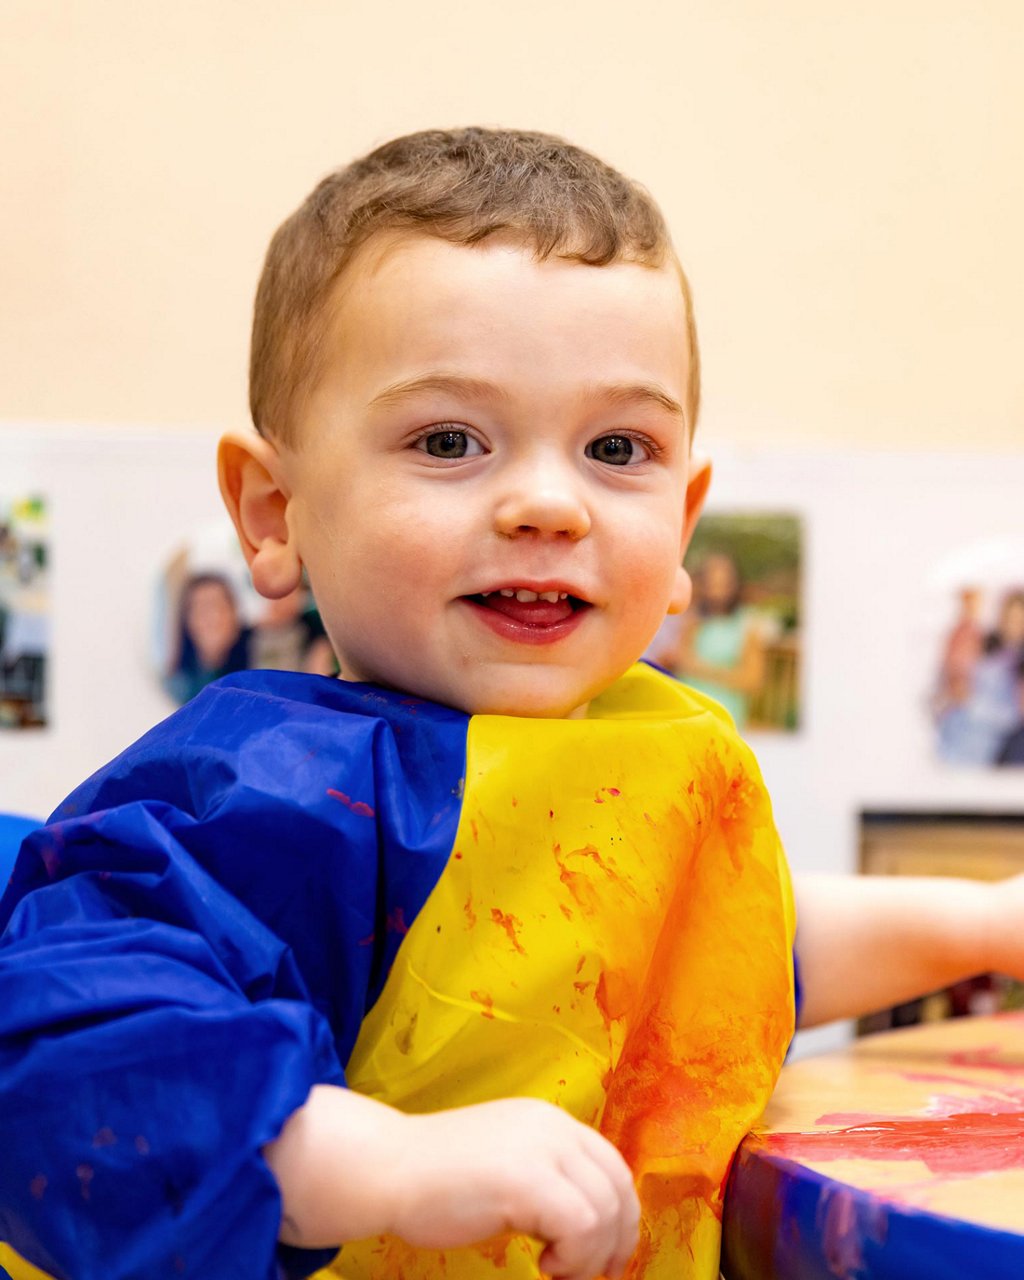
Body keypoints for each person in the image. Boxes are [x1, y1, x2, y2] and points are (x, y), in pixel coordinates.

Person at [2, 128, 1024, 1280]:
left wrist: (989, 924)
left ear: (684, 525)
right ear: (274, 511)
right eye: (449, 439)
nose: (548, 502)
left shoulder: (649, 747)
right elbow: (65, 1040)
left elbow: (735, 949)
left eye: (615, 446)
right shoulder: (269, 784)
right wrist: (378, 1161)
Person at [650, 551, 766, 729]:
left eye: (722, 582)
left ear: (734, 583)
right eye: (711, 581)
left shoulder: (748, 623)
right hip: (687, 708)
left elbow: (752, 680)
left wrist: (699, 668)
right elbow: (679, 658)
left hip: (724, 713)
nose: (716, 589)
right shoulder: (692, 618)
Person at [163, 570, 253, 703]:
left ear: (235, 614)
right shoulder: (173, 688)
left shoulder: (258, 674)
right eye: (203, 609)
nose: (213, 618)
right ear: (187, 621)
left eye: (220, 606)